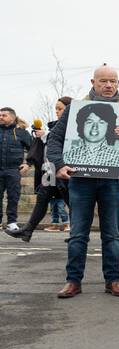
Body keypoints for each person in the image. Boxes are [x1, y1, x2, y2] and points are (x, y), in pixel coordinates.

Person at [44, 67, 119, 298]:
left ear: (118, 83)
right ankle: (73, 281)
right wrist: (59, 165)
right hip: (80, 181)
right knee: (78, 233)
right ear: (93, 82)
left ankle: (113, 280)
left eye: (113, 81)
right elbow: (55, 140)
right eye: (103, 81)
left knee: (111, 234)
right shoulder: (74, 109)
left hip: (114, 182)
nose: (109, 85)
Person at [7, 97, 71, 242]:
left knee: (72, 201)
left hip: (64, 169)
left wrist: (46, 135)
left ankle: (79, 234)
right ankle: (27, 231)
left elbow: (66, 141)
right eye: (56, 108)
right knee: (42, 198)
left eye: (60, 108)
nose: (57, 111)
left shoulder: (72, 125)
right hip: (50, 170)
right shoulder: (55, 126)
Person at [62, 102, 119, 169]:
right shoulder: (68, 156)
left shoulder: (117, 157)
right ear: (82, 125)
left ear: (108, 127)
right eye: (90, 122)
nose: (95, 127)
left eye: (101, 122)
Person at [0, 106, 34, 233]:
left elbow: (33, 149)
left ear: (12, 117)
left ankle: (11, 222)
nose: (1, 117)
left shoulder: (21, 133)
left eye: (4, 115)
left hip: (13, 170)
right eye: (0, 115)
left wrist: (28, 164)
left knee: (13, 196)